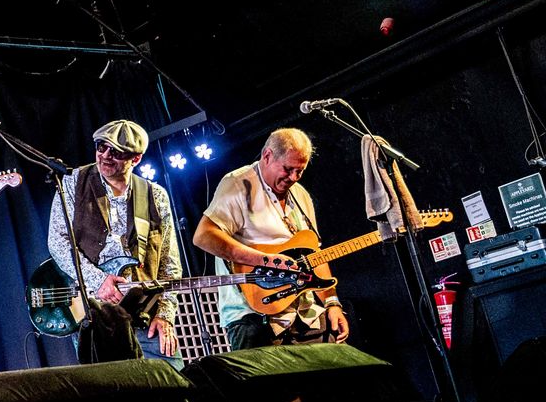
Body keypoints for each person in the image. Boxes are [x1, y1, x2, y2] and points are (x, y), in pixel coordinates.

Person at [192, 128, 351, 350]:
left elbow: (315, 255)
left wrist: (332, 303)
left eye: (300, 171)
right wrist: (264, 260)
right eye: (287, 169)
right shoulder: (238, 184)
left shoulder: (301, 195)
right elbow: (204, 236)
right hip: (253, 317)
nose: (293, 178)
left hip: (307, 314)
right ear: (267, 156)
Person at [46, 119, 182, 366]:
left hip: (145, 312)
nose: (106, 156)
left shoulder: (155, 195)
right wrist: (98, 280)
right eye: (101, 147)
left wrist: (165, 314)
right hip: (94, 313)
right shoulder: (73, 182)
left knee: (171, 382)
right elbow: (58, 241)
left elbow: (169, 263)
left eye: (117, 152)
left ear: (136, 159)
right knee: (109, 386)